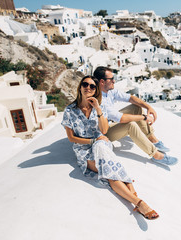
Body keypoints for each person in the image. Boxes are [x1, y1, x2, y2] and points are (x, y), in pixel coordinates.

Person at [61, 75, 159, 220]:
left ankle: (139, 203)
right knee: (110, 169)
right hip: (84, 148)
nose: (88, 88)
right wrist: (92, 140)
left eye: (92, 86)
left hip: (102, 144)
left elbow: (105, 130)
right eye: (85, 84)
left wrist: (98, 110)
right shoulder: (70, 111)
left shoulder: (99, 107)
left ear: (95, 90)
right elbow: (71, 138)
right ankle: (137, 199)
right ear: (80, 87)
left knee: (103, 153)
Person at [93, 66, 178, 166]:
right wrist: (144, 117)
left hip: (108, 122)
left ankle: (152, 139)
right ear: (102, 82)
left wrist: (148, 107)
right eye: (111, 79)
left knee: (136, 108)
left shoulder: (109, 91)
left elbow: (130, 98)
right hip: (102, 133)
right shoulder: (100, 100)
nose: (114, 81)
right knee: (131, 125)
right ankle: (156, 155)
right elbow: (121, 118)